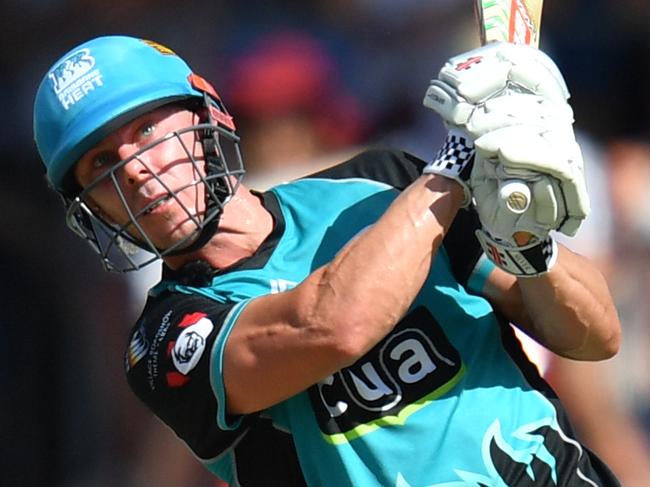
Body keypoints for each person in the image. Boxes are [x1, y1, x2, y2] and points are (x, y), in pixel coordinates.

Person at [33, 35, 622, 486]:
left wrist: (526, 249)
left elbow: (597, 335)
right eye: (101, 164)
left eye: (146, 129)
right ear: (91, 208)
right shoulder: (164, 342)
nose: (134, 168)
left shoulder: (380, 182)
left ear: (207, 115)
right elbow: (331, 325)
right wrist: (452, 170)